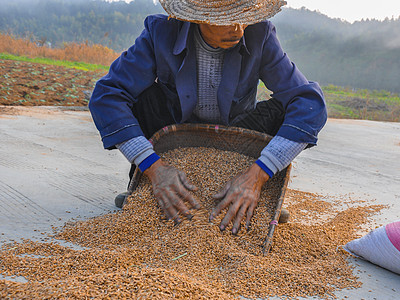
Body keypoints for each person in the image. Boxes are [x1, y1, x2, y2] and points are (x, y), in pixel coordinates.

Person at [89, 0, 327, 235]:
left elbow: (309, 102)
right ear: (196, 17)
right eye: (224, 19)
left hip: (234, 138)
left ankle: (256, 192)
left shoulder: (260, 34)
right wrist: (153, 167)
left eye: (242, 16)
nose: (237, 28)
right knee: (144, 97)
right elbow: (107, 96)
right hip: (174, 135)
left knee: (287, 109)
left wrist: (259, 173)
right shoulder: (160, 32)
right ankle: (148, 185)